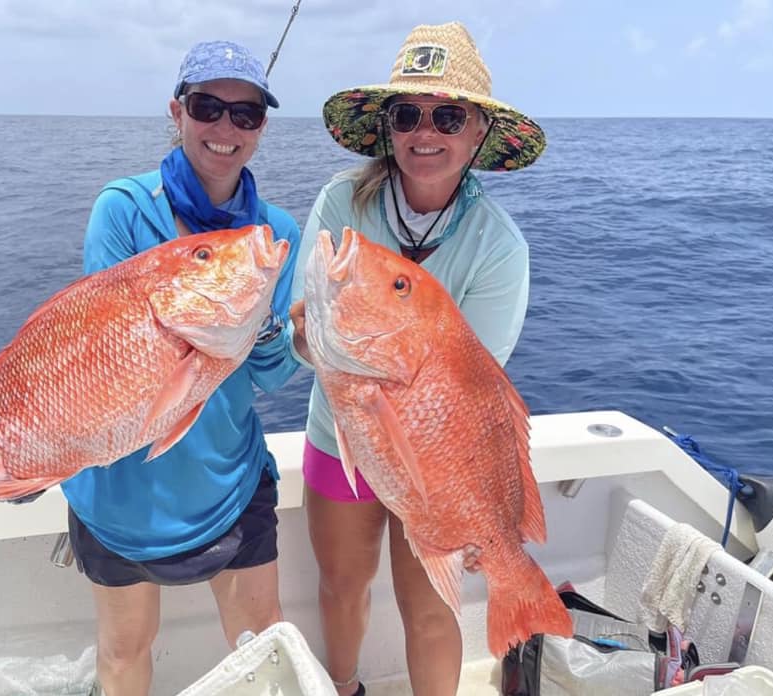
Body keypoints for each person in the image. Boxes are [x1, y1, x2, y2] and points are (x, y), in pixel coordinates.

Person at [0, 40, 300, 696]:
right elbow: (93, 357)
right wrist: (29, 458)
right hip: (120, 495)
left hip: (229, 487)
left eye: (247, 114)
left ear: (262, 127)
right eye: (209, 106)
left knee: (264, 641)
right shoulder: (123, 209)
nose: (226, 129)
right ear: (177, 111)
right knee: (125, 651)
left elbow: (267, 377)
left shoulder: (273, 234)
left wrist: (270, 330)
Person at [288, 21, 546, 696]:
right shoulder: (341, 202)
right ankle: (343, 689)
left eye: (448, 115)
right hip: (340, 434)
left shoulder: (499, 249)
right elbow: (300, 334)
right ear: (388, 128)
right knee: (343, 589)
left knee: (431, 611)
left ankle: (516, 595)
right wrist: (309, 334)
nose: (424, 133)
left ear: (479, 132)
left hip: (438, 457)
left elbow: (475, 390)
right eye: (408, 114)